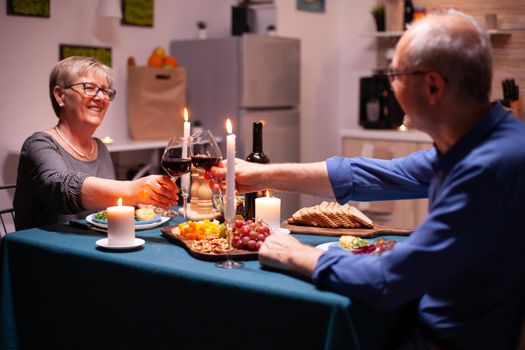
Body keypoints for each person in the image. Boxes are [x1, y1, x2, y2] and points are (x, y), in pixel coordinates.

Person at [210, 10, 525, 350]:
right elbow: (371, 175)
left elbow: (385, 280)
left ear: (432, 85)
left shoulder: (488, 168)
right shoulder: (478, 141)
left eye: (396, 74)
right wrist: (260, 175)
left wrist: (294, 254)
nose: (390, 85)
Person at [14, 56, 178, 230]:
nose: (101, 97)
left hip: (95, 248)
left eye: (106, 91)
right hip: (42, 252)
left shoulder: (100, 148)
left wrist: (137, 204)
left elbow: (105, 212)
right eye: (89, 88)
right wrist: (132, 190)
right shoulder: (38, 145)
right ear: (60, 95)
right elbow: (61, 187)